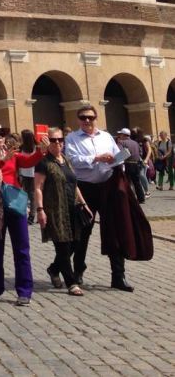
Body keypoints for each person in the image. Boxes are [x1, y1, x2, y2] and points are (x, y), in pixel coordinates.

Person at [66, 104, 138, 292]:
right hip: (85, 188)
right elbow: (72, 160)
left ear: (95, 118)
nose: (87, 120)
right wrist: (96, 158)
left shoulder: (106, 137)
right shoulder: (72, 138)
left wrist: (117, 162)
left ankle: (118, 276)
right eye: (83, 117)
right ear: (78, 119)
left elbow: (117, 157)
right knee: (83, 231)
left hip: (108, 186)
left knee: (114, 229)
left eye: (90, 117)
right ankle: (78, 270)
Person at [0, 122, 41, 306]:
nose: (0, 137)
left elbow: (28, 162)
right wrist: (2, 160)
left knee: (22, 250)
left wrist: (41, 151)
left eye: (2, 134)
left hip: (15, 206)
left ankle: (24, 291)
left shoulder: (12, 154)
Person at [33, 128, 89, 296]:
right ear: (47, 142)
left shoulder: (66, 160)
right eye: (53, 140)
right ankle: (71, 283)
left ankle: (53, 269)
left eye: (60, 139)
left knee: (75, 243)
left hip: (72, 208)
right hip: (55, 210)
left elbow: (74, 184)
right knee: (63, 247)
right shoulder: (44, 163)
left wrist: (83, 203)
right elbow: (38, 188)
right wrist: (40, 210)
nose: (57, 143)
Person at [117, 128, 145, 203]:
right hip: (136, 164)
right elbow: (140, 152)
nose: (120, 136)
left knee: (127, 182)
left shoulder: (121, 142)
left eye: (120, 134)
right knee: (137, 182)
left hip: (127, 164)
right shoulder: (135, 143)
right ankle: (141, 198)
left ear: (123, 135)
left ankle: (129, 199)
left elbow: (119, 153)